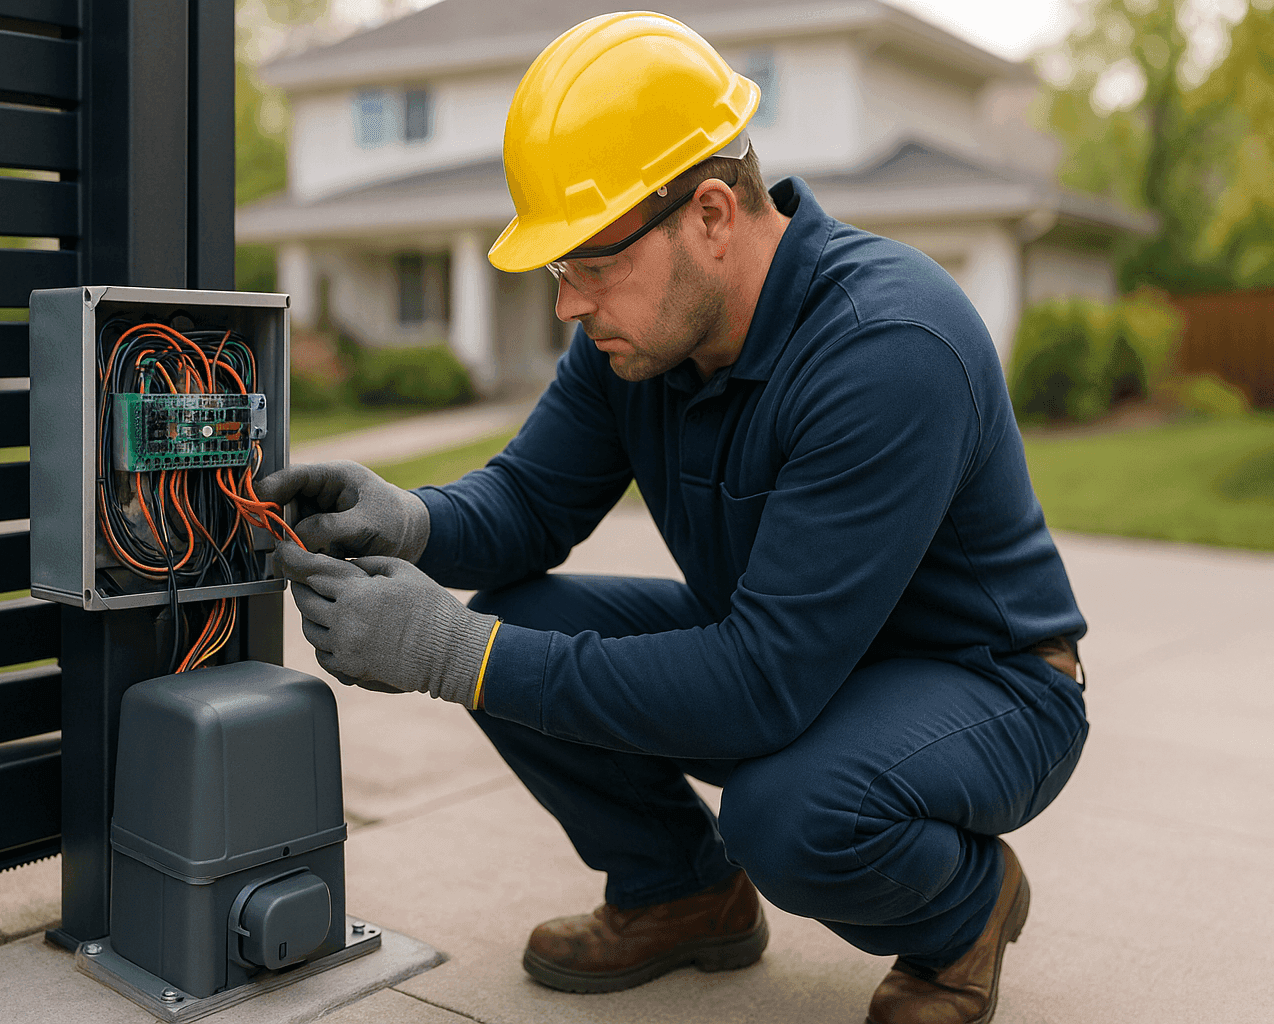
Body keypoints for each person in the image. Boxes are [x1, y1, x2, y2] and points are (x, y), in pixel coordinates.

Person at [263, 12, 1088, 1024]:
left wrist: (449, 651)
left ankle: (963, 912)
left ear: (708, 215)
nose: (567, 304)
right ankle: (682, 891)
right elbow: (529, 502)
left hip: (986, 684)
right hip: (801, 663)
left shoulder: (887, 345)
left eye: (588, 264)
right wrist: (408, 523)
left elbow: (758, 686)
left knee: (790, 811)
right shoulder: (640, 339)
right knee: (526, 616)